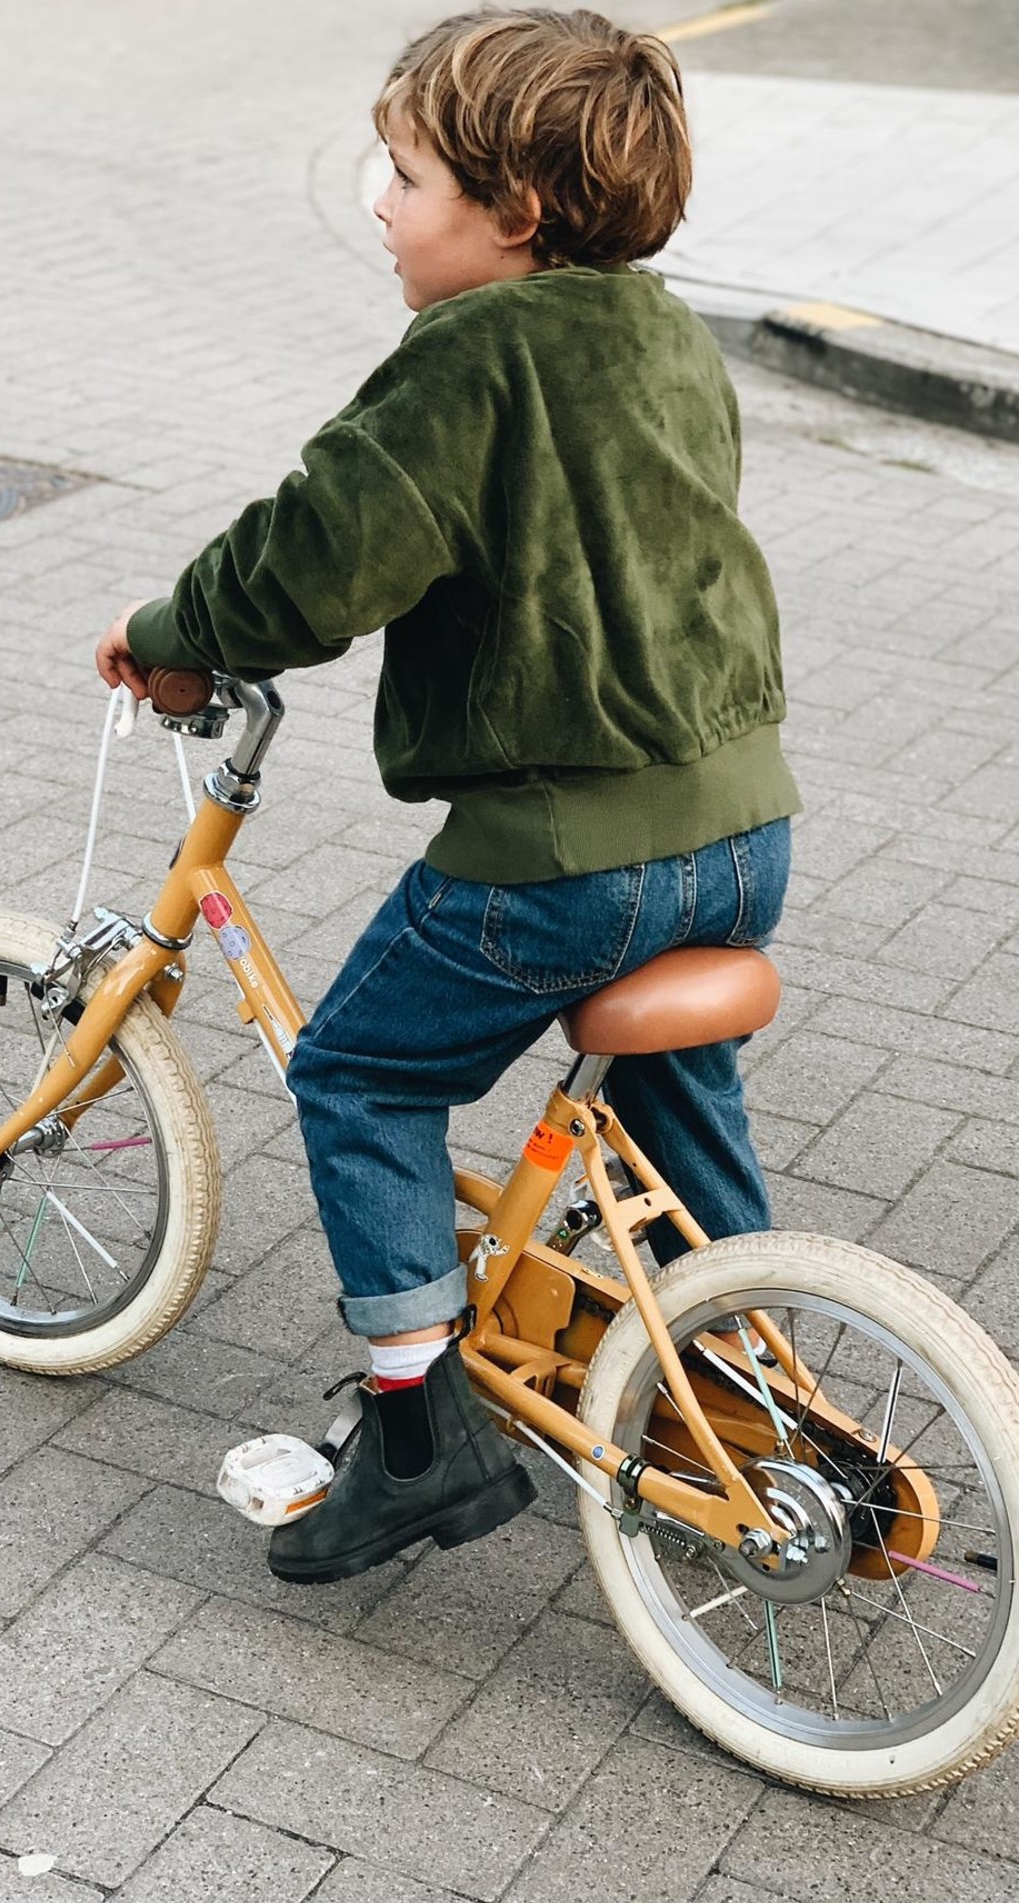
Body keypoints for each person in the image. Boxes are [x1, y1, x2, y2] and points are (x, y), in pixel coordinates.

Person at [94, 7, 800, 1585]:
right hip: (743, 828)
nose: (378, 203)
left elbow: (312, 558)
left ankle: (415, 1442)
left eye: (404, 176)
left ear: (513, 214)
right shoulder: (664, 332)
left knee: (358, 1075)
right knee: (676, 1103)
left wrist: (174, 639)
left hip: (563, 856)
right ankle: (739, 1383)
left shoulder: (469, 357)